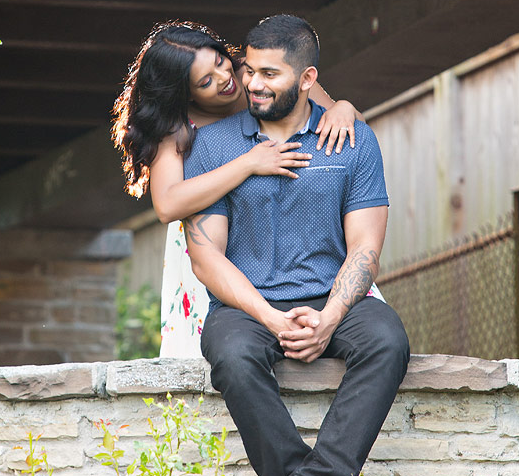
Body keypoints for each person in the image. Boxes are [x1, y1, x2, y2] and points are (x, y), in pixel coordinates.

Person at [182, 14, 410, 476]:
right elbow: (205, 254)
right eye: (248, 70)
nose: (252, 84)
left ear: (307, 79)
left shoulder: (351, 139)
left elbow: (364, 250)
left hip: (332, 297)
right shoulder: (215, 146)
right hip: (246, 306)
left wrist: (332, 317)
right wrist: (268, 316)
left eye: (269, 73)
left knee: (388, 339)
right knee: (232, 355)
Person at [111, 21, 375, 357]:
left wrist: (344, 108)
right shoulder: (177, 127)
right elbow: (167, 204)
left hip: (295, 228)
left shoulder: (259, 76)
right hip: (216, 244)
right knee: (227, 351)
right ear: (184, 93)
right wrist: (248, 164)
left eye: (220, 62)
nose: (225, 79)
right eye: (205, 82)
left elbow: (356, 134)